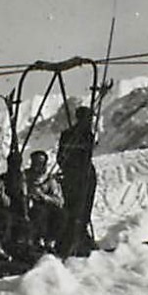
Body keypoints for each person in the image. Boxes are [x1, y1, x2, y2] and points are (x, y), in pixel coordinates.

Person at [56, 105, 98, 256]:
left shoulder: (88, 135)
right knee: (73, 206)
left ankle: (81, 234)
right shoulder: (68, 135)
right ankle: (70, 239)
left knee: (86, 205)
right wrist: (70, 168)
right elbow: (61, 157)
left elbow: (89, 153)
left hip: (86, 174)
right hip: (74, 175)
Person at [23, 149, 64, 253]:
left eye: (40, 163)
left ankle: (49, 242)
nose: (37, 166)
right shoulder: (25, 176)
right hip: (27, 207)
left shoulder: (49, 180)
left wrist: (44, 197)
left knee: (59, 214)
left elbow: (59, 200)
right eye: (35, 162)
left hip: (44, 208)